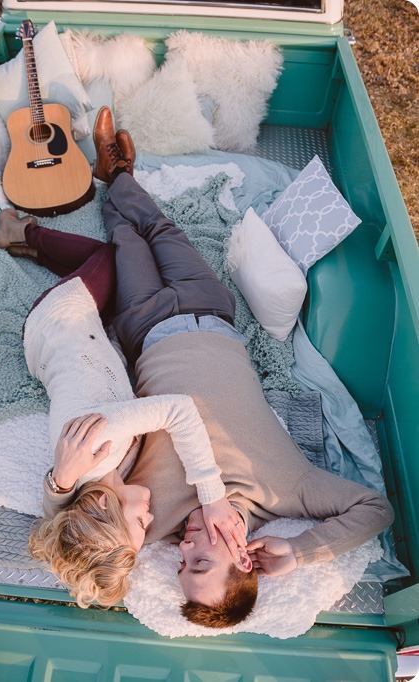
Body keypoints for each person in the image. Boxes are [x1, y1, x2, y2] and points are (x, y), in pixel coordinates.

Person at [40, 107, 395, 627]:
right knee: (162, 228)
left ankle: (112, 173)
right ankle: (122, 174)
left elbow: (72, 531)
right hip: (214, 313)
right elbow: (376, 511)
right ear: (244, 558)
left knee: (127, 243)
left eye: (182, 564)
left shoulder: (151, 516)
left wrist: (59, 483)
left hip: (147, 328)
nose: (185, 550)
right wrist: (301, 552)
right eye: (201, 561)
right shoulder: (287, 490)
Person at [0, 124, 246, 608]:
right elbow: (56, 514)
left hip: (60, 319)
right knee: (116, 272)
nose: (150, 526)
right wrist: (58, 483)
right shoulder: (84, 481)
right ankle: (36, 235)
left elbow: (181, 412)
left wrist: (212, 494)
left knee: (105, 254)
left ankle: (22, 232)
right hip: (52, 351)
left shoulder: (100, 444)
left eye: (138, 525)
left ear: (106, 503)